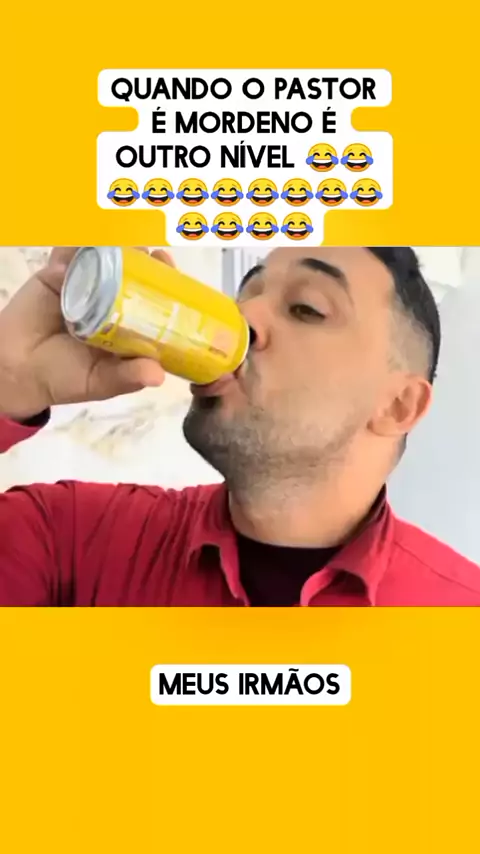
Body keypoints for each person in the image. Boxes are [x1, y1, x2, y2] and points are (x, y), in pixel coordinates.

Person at [0, 245, 479, 607]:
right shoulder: (68, 537)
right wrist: (8, 384)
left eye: (306, 308)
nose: (243, 316)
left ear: (398, 405)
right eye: (243, 296)